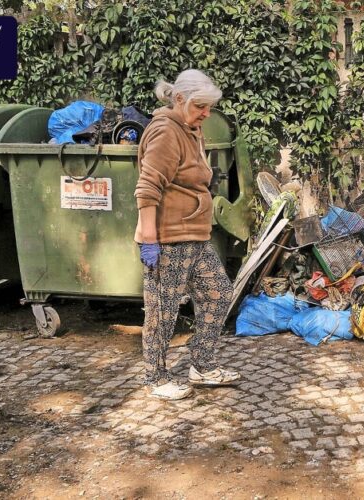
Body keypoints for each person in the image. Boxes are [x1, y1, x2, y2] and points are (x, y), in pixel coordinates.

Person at [134, 69, 240, 400]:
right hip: (169, 238)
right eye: (200, 107)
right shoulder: (166, 131)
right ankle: (155, 376)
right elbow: (148, 188)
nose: (206, 114)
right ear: (179, 99)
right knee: (162, 311)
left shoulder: (190, 128)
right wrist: (149, 239)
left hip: (195, 235)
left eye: (208, 107)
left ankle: (202, 365)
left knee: (219, 293)